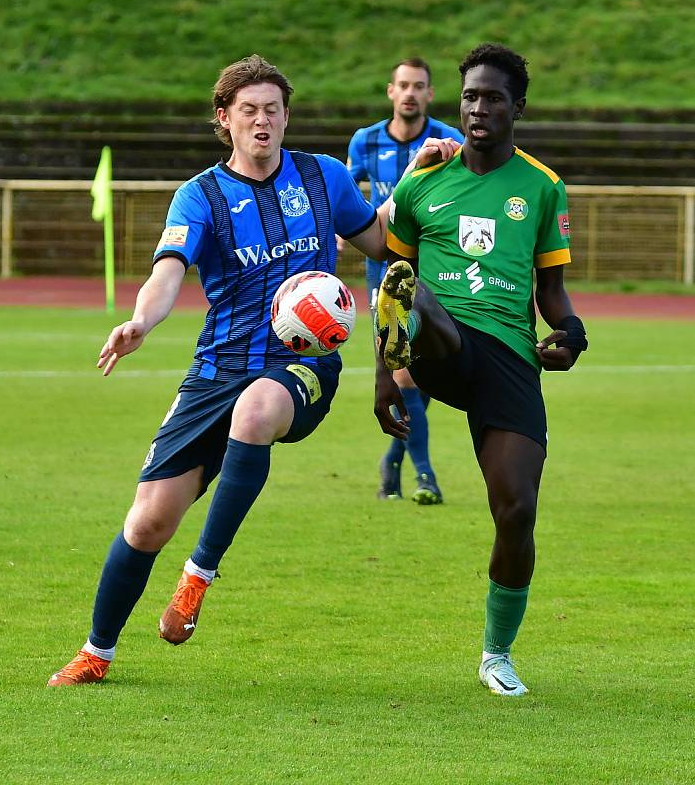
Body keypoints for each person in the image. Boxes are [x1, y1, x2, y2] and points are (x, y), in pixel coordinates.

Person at [48, 54, 392, 686]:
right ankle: (97, 653)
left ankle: (197, 577)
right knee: (148, 519)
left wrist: (426, 198)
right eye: (248, 111)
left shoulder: (325, 178)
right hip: (216, 368)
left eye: (272, 109)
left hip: (302, 366)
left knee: (258, 409)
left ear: (287, 117)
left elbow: (382, 239)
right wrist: (140, 323)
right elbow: (167, 272)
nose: (262, 121)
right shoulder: (201, 195)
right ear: (225, 120)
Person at [374, 43, 587, 696]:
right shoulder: (420, 184)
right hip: (441, 348)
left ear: (516, 106)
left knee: (516, 509)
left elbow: (550, 294)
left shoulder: (541, 187)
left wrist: (571, 333)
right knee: (419, 293)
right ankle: (419, 332)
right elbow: (391, 286)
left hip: (510, 359)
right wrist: (385, 378)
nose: (477, 107)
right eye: (468, 96)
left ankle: (496, 654)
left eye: (491, 97)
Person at [346, 58, 464, 505]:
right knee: (405, 376)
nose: (410, 93)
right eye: (403, 85)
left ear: (430, 94)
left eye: (419, 86)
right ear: (390, 91)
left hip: (434, 276)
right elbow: (353, 199)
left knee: (422, 376)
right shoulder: (365, 141)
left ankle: (393, 462)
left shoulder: (449, 141)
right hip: (385, 277)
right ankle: (426, 476)